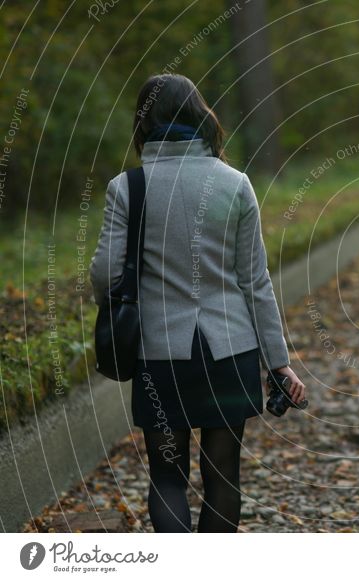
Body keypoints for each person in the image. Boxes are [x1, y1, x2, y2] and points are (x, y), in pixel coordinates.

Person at [89, 73, 305, 533]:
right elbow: (255, 281)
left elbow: (106, 272)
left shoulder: (128, 187)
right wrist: (279, 361)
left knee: (168, 475)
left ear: (143, 122)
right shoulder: (236, 183)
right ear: (199, 114)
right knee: (224, 476)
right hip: (230, 352)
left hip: (161, 355)